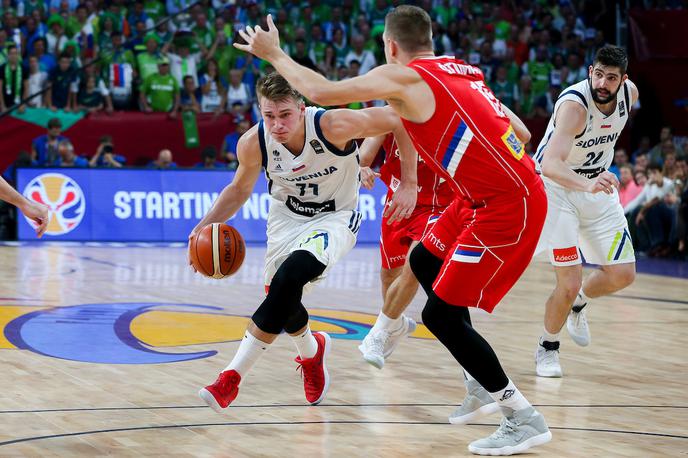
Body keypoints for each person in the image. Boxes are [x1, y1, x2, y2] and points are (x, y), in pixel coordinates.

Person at [235, 7, 550, 455]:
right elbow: (517, 130)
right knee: (421, 261)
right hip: (478, 196)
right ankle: (477, 381)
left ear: (390, 45)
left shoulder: (407, 77)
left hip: (504, 205)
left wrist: (275, 54)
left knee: (440, 315)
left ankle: (521, 415)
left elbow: (323, 92)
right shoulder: (459, 71)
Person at [195, 72, 417, 414]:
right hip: (286, 218)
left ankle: (230, 378)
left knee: (289, 279)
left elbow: (398, 117)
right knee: (279, 297)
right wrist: (203, 228)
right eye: (269, 115)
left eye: (285, 115)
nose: (277, 124)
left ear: (302, 108)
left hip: (336, 216)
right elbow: (239, 190)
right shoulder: (253, 143)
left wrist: (408, 182)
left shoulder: (333, 125)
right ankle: (312, 352)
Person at [533, 45, 638, 378]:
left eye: (611, 77)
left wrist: (593, 182)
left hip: (596, 187)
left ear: (623, 80)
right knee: (567, 279)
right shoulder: (574, 107)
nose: (603, 83)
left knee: (623, 274)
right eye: (598, 74)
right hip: (557, 190)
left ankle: (579, 301)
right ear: (590, 71)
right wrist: (587, 183)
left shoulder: (630, 95)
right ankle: (547, 348)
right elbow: (550, 165)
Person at [357, 132, 453, 369]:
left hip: (439, 205)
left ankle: (378, 333)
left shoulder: (449, 112)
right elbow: (365, 154)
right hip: (399, 200)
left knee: (415, 265)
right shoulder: (393, 111)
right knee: (389, 275)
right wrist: (361, 167)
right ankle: (395, 324)